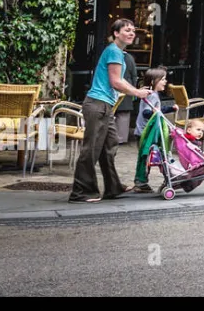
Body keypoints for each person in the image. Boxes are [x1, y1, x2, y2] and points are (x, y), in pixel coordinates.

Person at [70, 19, 152, 203]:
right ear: (116, 33)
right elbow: (116, 81)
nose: (131, 33)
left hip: (105, 106)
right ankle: (80, 192)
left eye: (133, 30)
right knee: (91, 150)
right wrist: (137, 92)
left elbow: (115, 84)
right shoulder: (114, 51)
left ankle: (113, 187)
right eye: (127, 30)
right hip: (98, 105)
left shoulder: (118, 53)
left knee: (110, 145)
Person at [133, 68, 171, 193]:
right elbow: (146, 112)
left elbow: (157, 110)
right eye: (163, 79)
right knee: (145, 157)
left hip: (148, 132)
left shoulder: (153, 94)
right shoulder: (151, 95)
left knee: (147, 157)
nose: (165, 82)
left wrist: (171, 108)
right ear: (154, 81)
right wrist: (155, 113)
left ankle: (141, 182)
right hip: (146, 133)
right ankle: (140, 182)